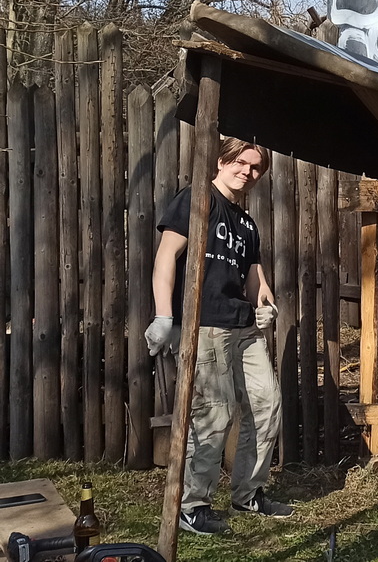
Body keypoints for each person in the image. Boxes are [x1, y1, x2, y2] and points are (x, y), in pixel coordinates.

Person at [145, 137, 292, 536]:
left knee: (267, 404)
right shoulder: (197, 199)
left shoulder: (246, 223)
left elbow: (254, 277)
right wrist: (163, 315)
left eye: (256, 168)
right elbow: (166, 256)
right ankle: (192, 506)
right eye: (241, 162)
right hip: (205, 322)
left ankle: (249, 494)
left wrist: (266, 303)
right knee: (215, 411)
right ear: (222, 161)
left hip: (243, 326)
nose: (248, 172)